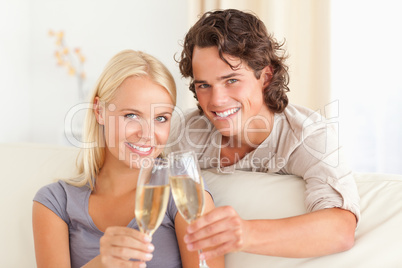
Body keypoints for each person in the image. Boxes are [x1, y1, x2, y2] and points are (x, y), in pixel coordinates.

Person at [166, 9, 360, 261]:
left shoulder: (306, 135)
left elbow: (340, 230)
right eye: (204, 85)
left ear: (265, 76)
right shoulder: (184, 135)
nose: (216, 100)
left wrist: (244, 233)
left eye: (231, 80)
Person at [32, 50, 225, 268]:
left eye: (161, 118)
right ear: (100, 111)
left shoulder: (182, 187)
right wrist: (101, 264)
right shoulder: (55, 202)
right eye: (131, 115)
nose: (147, 134)